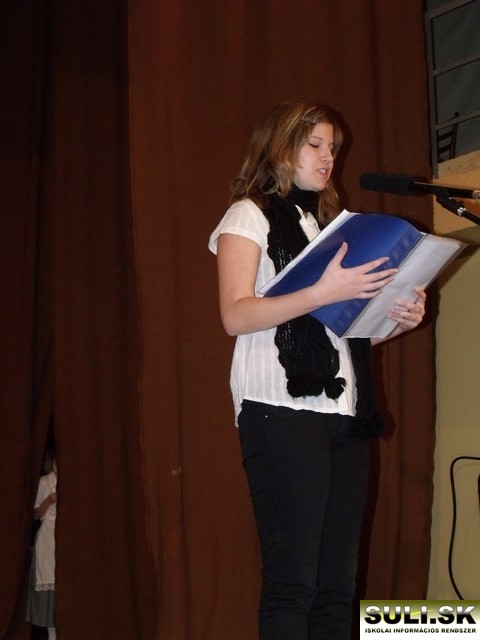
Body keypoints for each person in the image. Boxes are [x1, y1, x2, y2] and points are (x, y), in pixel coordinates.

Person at [208, 101, 426, 640]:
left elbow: (344, 331)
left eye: (333, 148)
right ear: (280, 147)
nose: (329, 157)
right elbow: (235, 315)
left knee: (336, 588)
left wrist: (396, 320)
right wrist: (323, 291)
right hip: (279, 410)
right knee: (294, 585)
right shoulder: (248, 214)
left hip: (343, 415)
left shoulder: (327, 226)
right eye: (315, 145)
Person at [27, 445, 57, 640]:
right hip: (47, 537)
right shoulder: (45, 482)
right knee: (49, 586)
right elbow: (36, 514)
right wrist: (50, 499)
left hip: (63, 537)